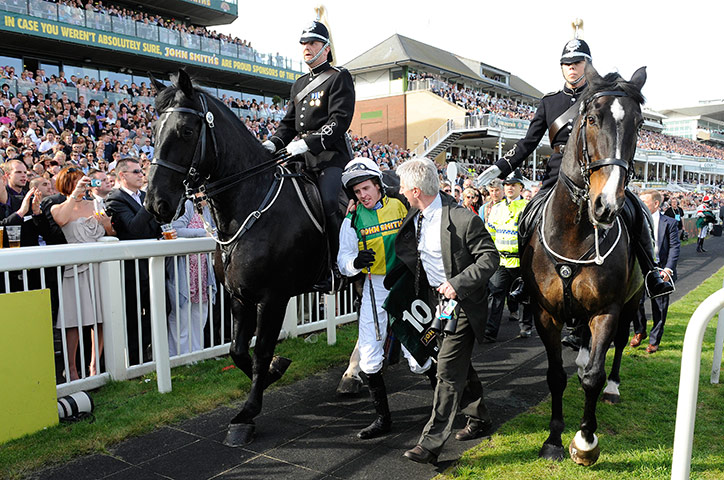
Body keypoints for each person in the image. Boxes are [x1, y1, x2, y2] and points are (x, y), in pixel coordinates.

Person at [474, 31, 672, 345]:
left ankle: (650, 273)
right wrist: (501, 166)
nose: (572, 68)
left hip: (596, 173)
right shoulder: (549, 102)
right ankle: (527, 282)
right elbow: (528, 142)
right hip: (559, 177)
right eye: (566, 63)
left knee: (634, 212)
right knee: (526, 219)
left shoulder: (601, 98)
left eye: (578, 63)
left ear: (587, 66)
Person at [392, 157, 499, 464]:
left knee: (447, 371)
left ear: (415, 190)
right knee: (452, 362)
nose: (399, 192)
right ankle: (479, 417)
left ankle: (431, 442)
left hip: (462, 302)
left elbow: (490, 259)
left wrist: (457, 284)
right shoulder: (416, 213)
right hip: (438, 304)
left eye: (403, 188)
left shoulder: (463, 219)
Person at [337, 158, 434, 440]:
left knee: (419, 353)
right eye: (357, 192)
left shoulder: (402, 205)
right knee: (368, 356)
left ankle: (443, 409)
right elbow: (343, 261)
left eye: (366, 188)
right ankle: (383, 418)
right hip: (373, 286)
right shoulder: (352, 218)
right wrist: (356, 261)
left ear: (379, 185)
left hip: (404, 284)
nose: (362, 195)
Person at [262, 18, 355, 293]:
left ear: (326, 48)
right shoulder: (299, 83)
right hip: (299, 157)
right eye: (303, 43)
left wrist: (309, 143)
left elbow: (340, 120)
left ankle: (338, 268)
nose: (306, 47)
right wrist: (273, 143)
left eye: (312, 42)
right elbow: (289, 124)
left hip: (329, 156)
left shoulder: (339, 77)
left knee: (328, 202)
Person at [50, 166, 114, 380]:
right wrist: (74, 194)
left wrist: (107, 226)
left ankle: (95, 367)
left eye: (85, 181)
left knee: (101, 319)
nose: (84, 184)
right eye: (78, 181)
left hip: (98, 267)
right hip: (75, 270)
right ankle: (72, 369)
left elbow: (111, 232)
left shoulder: (97, 204)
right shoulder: (58, 207)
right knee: (73, 321)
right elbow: (61, 220)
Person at [105, 158, 161, 364]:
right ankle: (134, 360)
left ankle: (146, 352)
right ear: (122, 175)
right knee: (133, 315)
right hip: (130, 268)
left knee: (162, 309)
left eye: (141, 171)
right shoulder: (115, 199)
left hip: (151, 264)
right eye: (136, 171)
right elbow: (134, 228)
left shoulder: (145, 196)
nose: (141, 175)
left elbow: (155, 227)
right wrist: (149, 205)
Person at [483, 170, 534, 341]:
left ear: (521, 187)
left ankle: (525, 327)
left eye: (513, 185)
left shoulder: (528, 207)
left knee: (524, 296)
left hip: (521, 261)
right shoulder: (496, 208)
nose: (509, 188)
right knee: (495, 294)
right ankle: (490, 331)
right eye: (507, 185)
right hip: (501, 261)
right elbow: (490, 234)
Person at [630, 190, 680, 353]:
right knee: (635, 303)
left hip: (661, 270)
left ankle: (654, 341)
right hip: (640, 269)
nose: (640, 204)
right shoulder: (636, 221)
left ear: (656, 204)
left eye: (644, 202)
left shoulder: (670, 223)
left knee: (659, 308)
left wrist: (668, 269)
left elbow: (674, 247)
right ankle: (639, 330)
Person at [166, 199, 217, 356]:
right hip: (183, 269)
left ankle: (196, 354)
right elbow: (174, 229)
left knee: (200, 313)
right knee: (181, 315)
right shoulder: (186, 204)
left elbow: (215, 229)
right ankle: (178, 357)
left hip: (203, 270)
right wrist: (204, 234)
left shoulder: (207, 208)